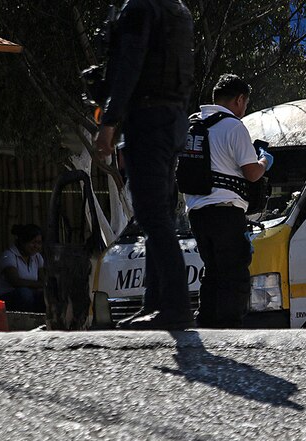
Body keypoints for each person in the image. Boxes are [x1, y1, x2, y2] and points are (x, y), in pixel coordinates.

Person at [93, 0, 195, 330]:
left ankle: (175, 307)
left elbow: (129, 65)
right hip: (171, 117)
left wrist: (109, 122)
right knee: (158, 214)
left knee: (152, 215)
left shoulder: (140, 8)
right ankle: (156, 303)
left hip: (148, 120)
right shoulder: (176, 9)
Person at [182, 74, 273, 328]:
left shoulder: (194, 124)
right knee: (234, 275)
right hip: (226, 212)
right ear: (239, 99)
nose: (245, 110)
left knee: (212, 272)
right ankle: (230, 333)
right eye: (245, 103)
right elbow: (252, 173)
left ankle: (207, 326)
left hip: (197, 213)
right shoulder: (233, 126)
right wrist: (265, 159)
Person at [0, 224, 46, 313]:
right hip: (2, 299)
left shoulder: (37, 257)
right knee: (25, 293)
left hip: (28, 297)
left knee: (45, 296)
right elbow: (15, 281)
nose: (36, 246)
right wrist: (39, 284)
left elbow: (43, 280)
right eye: (33, 242)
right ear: (22, 242)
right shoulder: (8, 256)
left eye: (39, 243)